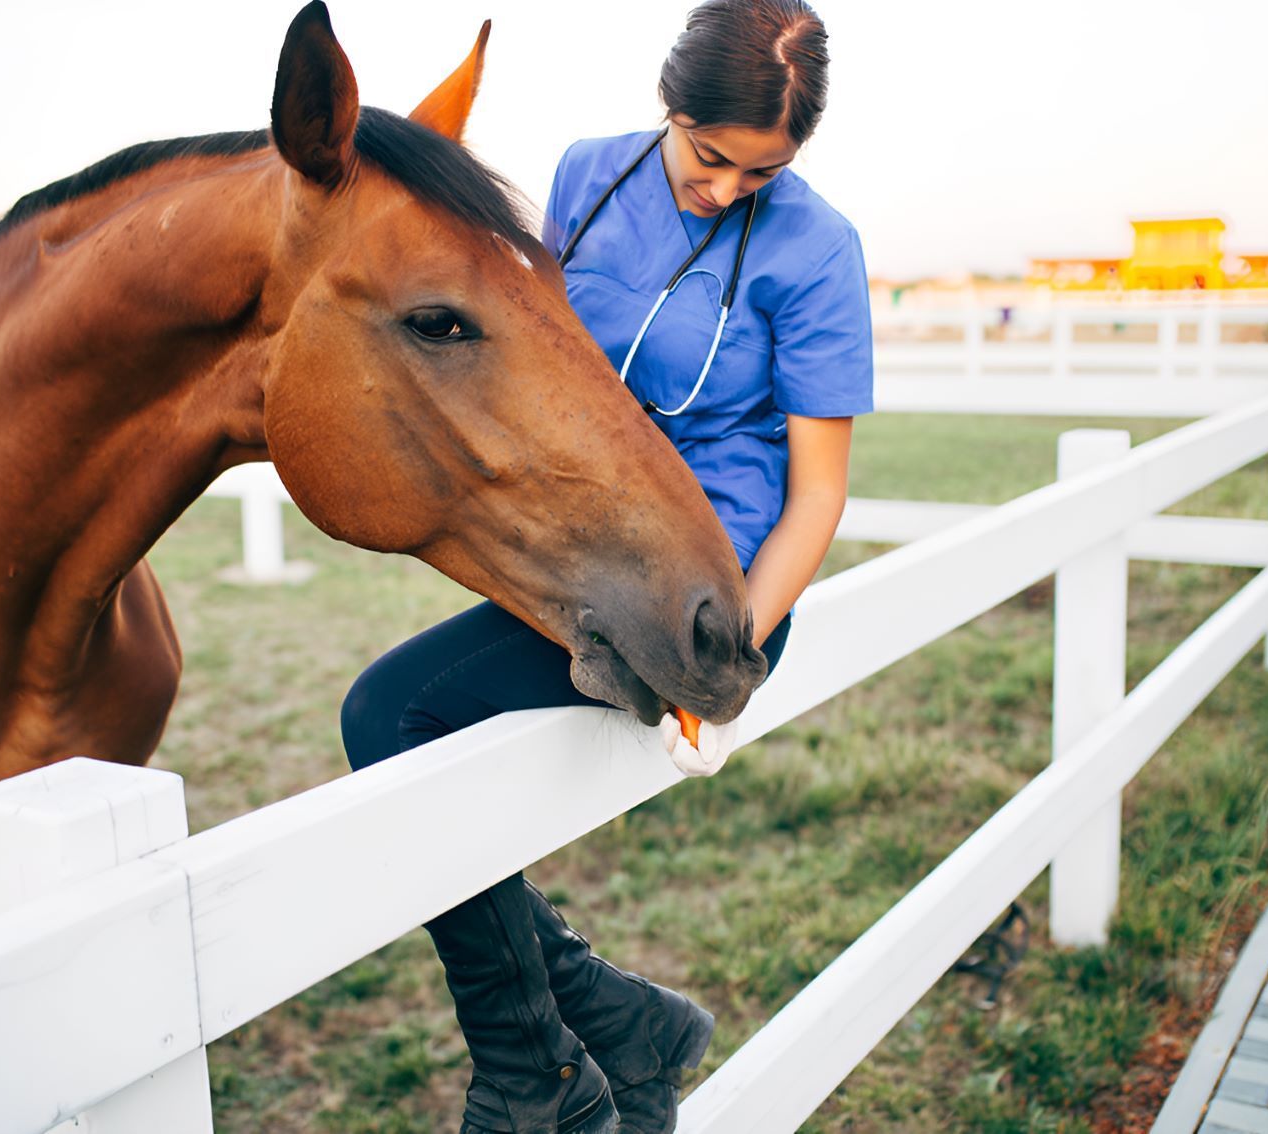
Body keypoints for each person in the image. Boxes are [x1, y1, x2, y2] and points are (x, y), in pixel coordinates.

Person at [339, 2, 873, 1130]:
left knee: (390, 714)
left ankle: (533, 1073)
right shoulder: (588, 173)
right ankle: (607, 1024)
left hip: (704, 575)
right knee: (394, 721)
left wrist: (731, 650)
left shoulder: (817, 249)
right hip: (589, 531)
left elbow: (817, 492)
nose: (727, 189)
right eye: (708, 155)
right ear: (665, 110)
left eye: (760, 174)